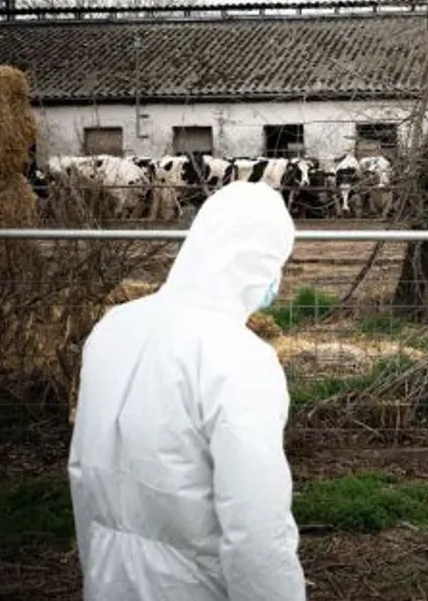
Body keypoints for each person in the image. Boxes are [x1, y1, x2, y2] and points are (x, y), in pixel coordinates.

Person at [68, 180, 307, 601]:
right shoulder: (238, 358)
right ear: (257, 263)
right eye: (277, 263)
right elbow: (256, 527)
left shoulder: (113, 327)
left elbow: (84, 472)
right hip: (193, 585)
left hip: (108, 577)